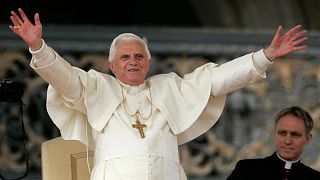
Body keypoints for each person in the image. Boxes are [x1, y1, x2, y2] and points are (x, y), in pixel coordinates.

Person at [8, 8, 309, 180]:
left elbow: (218, 80)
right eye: (125, 58)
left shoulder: (169, 87)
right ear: (112, 65)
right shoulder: (95, 87)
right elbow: (64, 77)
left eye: (139, 57)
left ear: (148, 63)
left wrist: (265, 56)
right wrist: (38, 46)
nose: (133, 61)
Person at [227, 106, 320, 180]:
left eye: (295, 135)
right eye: (282, 133)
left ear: (307, 139)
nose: (288, 141)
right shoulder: (246, 170)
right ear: (274, 134)